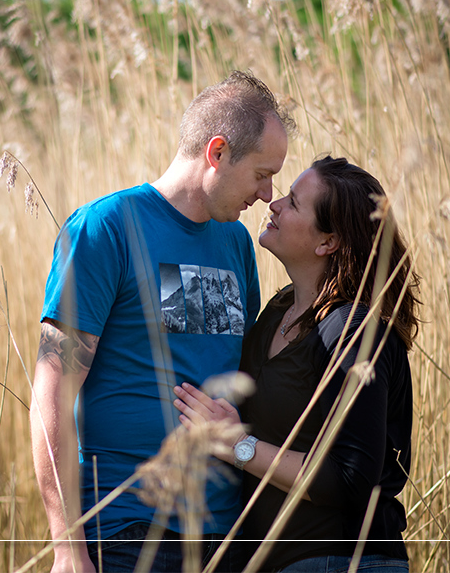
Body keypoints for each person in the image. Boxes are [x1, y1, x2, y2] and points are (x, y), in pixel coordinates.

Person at [30, 71, 290, 572]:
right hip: (129, 531)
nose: (267, 194)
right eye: (261, 173)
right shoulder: (105, 228)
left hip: (226, 534)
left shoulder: (235, 243)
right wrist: (67, 547)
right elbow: (52, 391)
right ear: (217, 153)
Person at [174, 155, 420, 572]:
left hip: (342, 560)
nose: (274, 204)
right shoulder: (279, 310)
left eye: (292, 202)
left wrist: (238, 445)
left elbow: (350, 477)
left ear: (328, 242)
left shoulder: (353, 330)